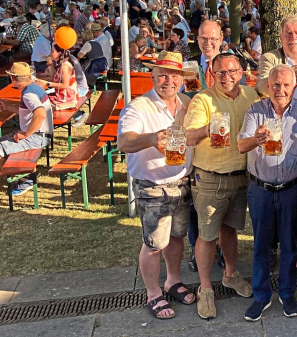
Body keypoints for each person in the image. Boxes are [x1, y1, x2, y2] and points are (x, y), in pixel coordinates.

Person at [116, 51, 196, 320]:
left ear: (182, 79)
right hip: (153, 186)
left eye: (174, 75)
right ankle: (153, 293)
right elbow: (124, 142)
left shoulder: (185, 103)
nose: (168, 80)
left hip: (182, 182)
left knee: (176, 237)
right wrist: (151, 138)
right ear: (152, 75)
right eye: (162, 74)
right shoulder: (138, 107)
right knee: (153, 243)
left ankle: (172, 281)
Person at [238, 64, 297, 321]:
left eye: (285, 85)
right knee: (261, 245)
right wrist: (257, 139)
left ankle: (287, 292)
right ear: (268, 86)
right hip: (261, 188)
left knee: (289, 245)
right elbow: (241, 144)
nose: (280, 89)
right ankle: (261, 296)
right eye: (275, 84)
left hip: (293, 189)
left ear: (294, 87)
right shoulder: (256, 110)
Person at [183, 53, 259, 319]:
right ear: (211, 75)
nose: (227, 77)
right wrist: (209, 129)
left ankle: (230, 275)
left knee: (230, 229)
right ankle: (205, 289)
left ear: (241, 72)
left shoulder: (251, 95)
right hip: (210, 178)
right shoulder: (203, 99)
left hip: (241, 176)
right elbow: (188, 137)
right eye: (221, 73)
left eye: (231, 71)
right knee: (207, 235)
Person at [0, 63, 52, 195]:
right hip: (42, 134)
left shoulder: (28, 94)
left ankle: (26, 179)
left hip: (37, 137)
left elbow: (40, 113)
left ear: (12, 79)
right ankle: (23, 176)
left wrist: (26, 133)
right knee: (2, 141)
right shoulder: (34, 87)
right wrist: (7, 107)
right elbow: (26, 110)